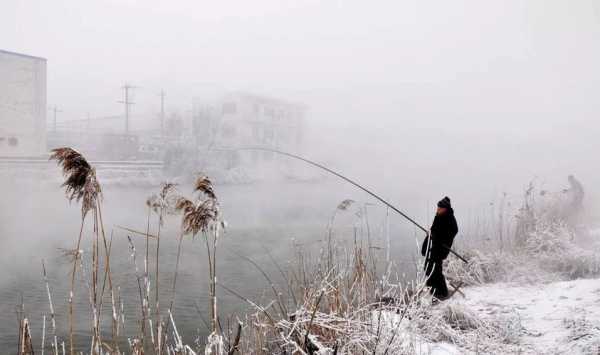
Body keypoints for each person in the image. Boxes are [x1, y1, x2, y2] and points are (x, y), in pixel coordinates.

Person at [421, 196, 459, 299]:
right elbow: (434, 229)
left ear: (445, 208)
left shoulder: (450, 217)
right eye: (437, 207)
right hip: (433, 246)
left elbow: (454, 230)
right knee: (428, 267)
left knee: (436, 270)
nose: (437, 209)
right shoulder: (438, 215)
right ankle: (432, 290)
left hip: (440, 248)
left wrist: (440, 238)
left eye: (439, 208)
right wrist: (430, 235)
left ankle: (442, 293)